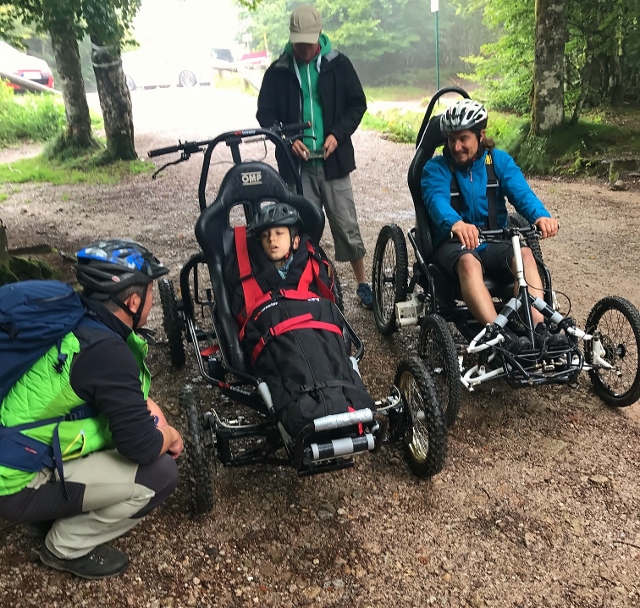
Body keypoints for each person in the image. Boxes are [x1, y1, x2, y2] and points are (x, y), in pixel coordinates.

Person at [0, 239, 183, 580]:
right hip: (11, 483)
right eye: (150, 292)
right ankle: (64, 547)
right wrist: (169, 434)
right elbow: (141, 447)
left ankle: (52, 508)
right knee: (159, 474)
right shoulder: (106, 352)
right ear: (133, 301)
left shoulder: (73, 319)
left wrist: (145, 406)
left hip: (11, 452)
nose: (152, 300)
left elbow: (96, 394)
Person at [256, 5, 373, 309]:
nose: (304, 49)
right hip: (297, 167)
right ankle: (305, 285)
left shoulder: (339, 64)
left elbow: (357, 104)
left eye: (309, 43)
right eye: (299, 43)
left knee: (346, 225)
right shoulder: (278, 71)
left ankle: (362, 284)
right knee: (302, 228)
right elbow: (265, 114)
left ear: (319, 35)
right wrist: (287, 139)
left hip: (334, 162)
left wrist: (337, 134)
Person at [224, 203, 375, 438]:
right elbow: (239, 313)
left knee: (327, 352)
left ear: (295, 241)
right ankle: (318, 408)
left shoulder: (311, 261)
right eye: (265, 236)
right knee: (290, 357)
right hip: (274, 330)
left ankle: (348, 400)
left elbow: (327, 299)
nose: (272, 240)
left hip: (315, 325)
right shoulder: (245, 270)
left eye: (279, 233)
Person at [421, 98, 560, 340]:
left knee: (525, 255)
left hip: (494, 240)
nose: (456, 147)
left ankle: (538, 331)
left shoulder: (497, 161)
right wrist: (456, 223)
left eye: (463, 139)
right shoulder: (436, 168)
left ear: (480, 135)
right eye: (451, 139)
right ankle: (498, 335)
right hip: (454, 243)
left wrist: (540, 216)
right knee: (469, 262)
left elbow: (522, 193)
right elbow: (436, 201)